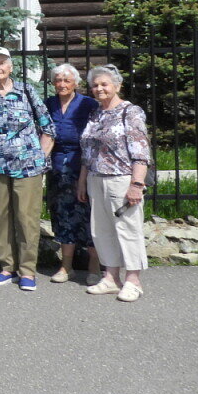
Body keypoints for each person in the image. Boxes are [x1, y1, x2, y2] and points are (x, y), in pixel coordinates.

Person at [0, 46, 56, 292]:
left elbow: (48, 127)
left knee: (26, 217)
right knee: (1, 216)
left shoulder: (26, 90)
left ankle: (27, 270)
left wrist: (39, 158)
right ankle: (6, 267)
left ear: (10, 67)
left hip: (27, 167)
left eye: (1, 63)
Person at [78, 65, 151, 303]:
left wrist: (137, 184)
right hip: (95, 178)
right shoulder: (96, 113)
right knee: (102, 231)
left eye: (104, 84)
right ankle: (111, 277)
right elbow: (87, 152)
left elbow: (141, 152)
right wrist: (82, 182)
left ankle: (133, 280)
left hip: (121, 179)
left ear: (117, 86)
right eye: (95, 85)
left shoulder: (130, 112)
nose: (99, 89)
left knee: (128, 229)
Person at [44, 63, 101, 285]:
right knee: (62, 215)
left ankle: (94, 265)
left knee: (89, 216)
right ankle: (66, 266)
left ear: (76, 83)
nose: (62, 84)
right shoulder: (49, 104)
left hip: (84, 166)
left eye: (67, 80)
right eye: (58, 80)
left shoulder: (88, 104)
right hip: (58, 167)